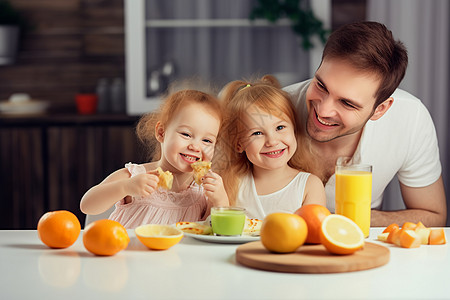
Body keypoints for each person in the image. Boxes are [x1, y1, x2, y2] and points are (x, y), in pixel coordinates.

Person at [284, 21, 446, 227]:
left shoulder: (410, 118)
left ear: (380, 109)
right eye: (321, 85)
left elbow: (433, 215)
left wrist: (358, 220)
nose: (323, 111)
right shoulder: (274, 109)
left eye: (347, 103)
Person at [80, 89, 229, 228]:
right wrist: (126, 187)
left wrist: (220, 201)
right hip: (130, 253)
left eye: (207, 141)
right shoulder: (135, 175)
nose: (196, 147)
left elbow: (216, 231)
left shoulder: (204, 190)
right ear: (161, 133)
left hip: (181, 257)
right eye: (186, 134)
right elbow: (87, 205)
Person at [216, 75, 326, 219]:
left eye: (280, 127)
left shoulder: (309, 185)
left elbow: (314, 233)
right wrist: (219, 202)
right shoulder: (232, 184)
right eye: (257, 133)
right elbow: (211, 229)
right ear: (239, 144)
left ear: (294, 129)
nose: (272, 141)